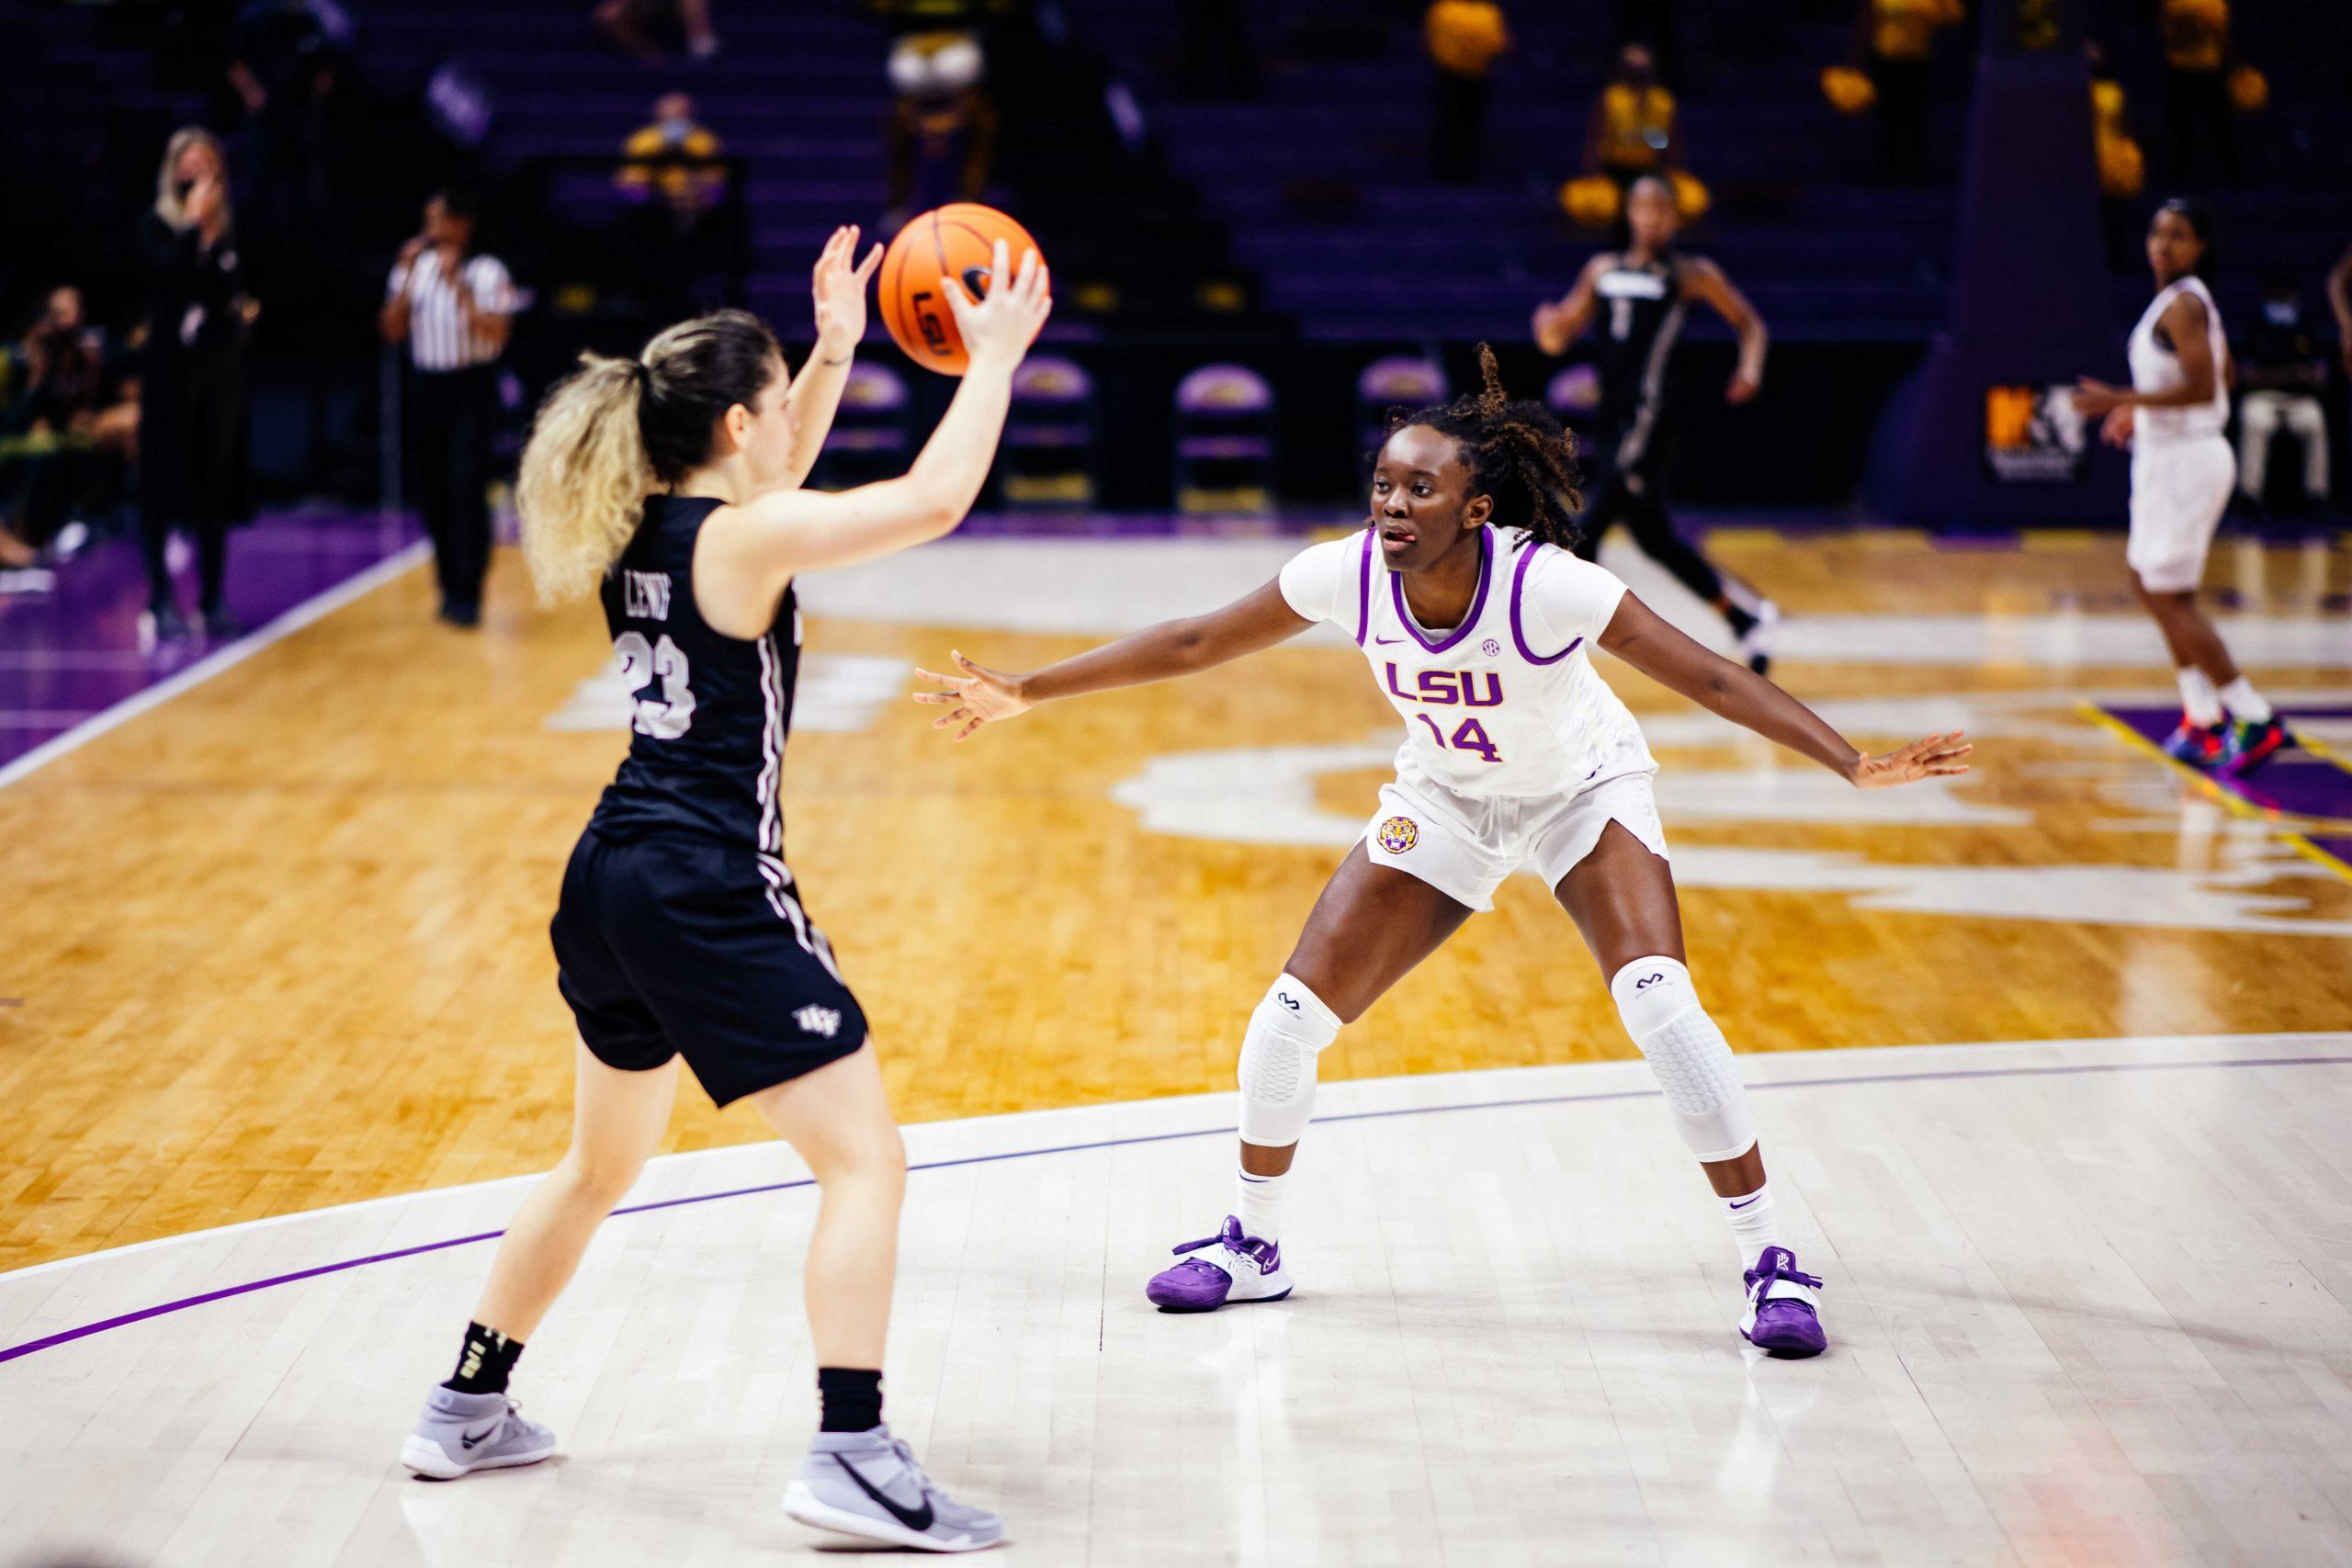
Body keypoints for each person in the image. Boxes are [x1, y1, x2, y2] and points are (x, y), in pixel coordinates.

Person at [916, 346, 1970, 1359]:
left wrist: (1848, 761)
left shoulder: (1548, 585)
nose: (1390, 505)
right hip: (1448, 803)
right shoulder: (1346, 575)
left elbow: (1713, 679)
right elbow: (1193, 641)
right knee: (1285, 1022)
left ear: (1475, 507)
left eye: (1419, 489)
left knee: (1658, 1003)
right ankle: (1253, 1243)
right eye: (1382, 485)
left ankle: (1769, 1261)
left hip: (1579, 794)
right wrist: (1025, 691)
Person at [396, 231, 1051, 1556]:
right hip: (705, 879)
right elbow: (928, 498)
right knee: (866, 1157)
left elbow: (781, 466)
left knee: (598, 1163)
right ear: (739, 424)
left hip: (610, 872)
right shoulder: (749, 540)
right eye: (780, 408)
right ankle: (853, 1452)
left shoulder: (648, 512)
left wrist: (837, 348)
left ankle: (464, 1401)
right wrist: (991, 364)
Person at [2075, 198, 2290, 773]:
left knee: (2169, 595)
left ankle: (2253, 715)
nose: (2163, 244)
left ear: (2200, 247)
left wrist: (2119, 400)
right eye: (2156, 231)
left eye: (2179, 234)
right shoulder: (2180, 305)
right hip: (2169, 453)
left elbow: (2202, 391)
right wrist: (2139, 414)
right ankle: (2201, 716)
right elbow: (2222, 377)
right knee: (2149, 584)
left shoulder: (2186, 304)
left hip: (2187, 461)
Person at [1531, 174, 1778, 671]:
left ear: (1673, 217)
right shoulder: (1602, 269)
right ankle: (1744, 622)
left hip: (1651, 420)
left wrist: (1749, 368)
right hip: (1612, 418)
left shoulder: (1689, 273)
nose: (1651, 217)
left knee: (1588, 529)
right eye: (1643, 208)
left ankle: (1551, 639)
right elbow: (1559, 337)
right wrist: (1548, 330)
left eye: (1661, 209)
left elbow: (1750, 323)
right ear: (1630, 214)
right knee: (1653, 538)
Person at [135, 128, 255, 643]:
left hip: (217, 372)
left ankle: (212, 597)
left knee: (215, 486)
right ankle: (161, 599)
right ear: (174, 172)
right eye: (191, 165)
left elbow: (227, 292)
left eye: (210, 165)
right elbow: (168, 282)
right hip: (168, 373)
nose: (201, 176)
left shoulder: (226, 235)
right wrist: (191, 231)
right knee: (160, 486)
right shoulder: (156, 228)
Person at [380, 189, 519, 627]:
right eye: (428, 220)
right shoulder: (414, 268)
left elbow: (497, 333)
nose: (431, 230)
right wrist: (403, 279)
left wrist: (458, 285)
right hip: (427, 386)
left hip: (471, 386)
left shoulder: (487, 270)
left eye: (439, 220)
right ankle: (445, 583)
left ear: (462, 223)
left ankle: (469, 588)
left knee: (465, 484)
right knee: (434, 488)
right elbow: (391, 329)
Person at [2233, 276, 2328, 509]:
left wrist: (2306, 376)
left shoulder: (2305, 325)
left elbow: (2320, 373)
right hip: (2262, 397)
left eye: (2285, 294)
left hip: (2300, 400)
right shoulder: (2256, 326)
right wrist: (2293, 374)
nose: (2282, 299)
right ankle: (2249, 496)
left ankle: (2316, 495)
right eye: (2276, 294)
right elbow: (2247, 375)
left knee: (2314, 421)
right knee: (2255, 421)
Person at [1425, 0, 1510, 186]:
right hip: (1452, 77)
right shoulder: (1445, 9)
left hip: (1473, 77)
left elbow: (1498, 44)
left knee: (1465, 128)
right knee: (1451, 126)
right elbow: (1433, 41)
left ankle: (1462, 173)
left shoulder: (1487, 12)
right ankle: (1448, 173)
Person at [1583, 42, 1677, 195]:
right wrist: (1593, 174)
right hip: (1614, 169)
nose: (1638, 76)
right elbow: (1594, 140)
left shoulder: (1663, 101)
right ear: (1624, 70)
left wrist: (1672, 171)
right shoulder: (1611, 98)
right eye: (1634, 71)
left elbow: (1671, 143)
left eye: (1643, 71)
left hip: (1650, 169)